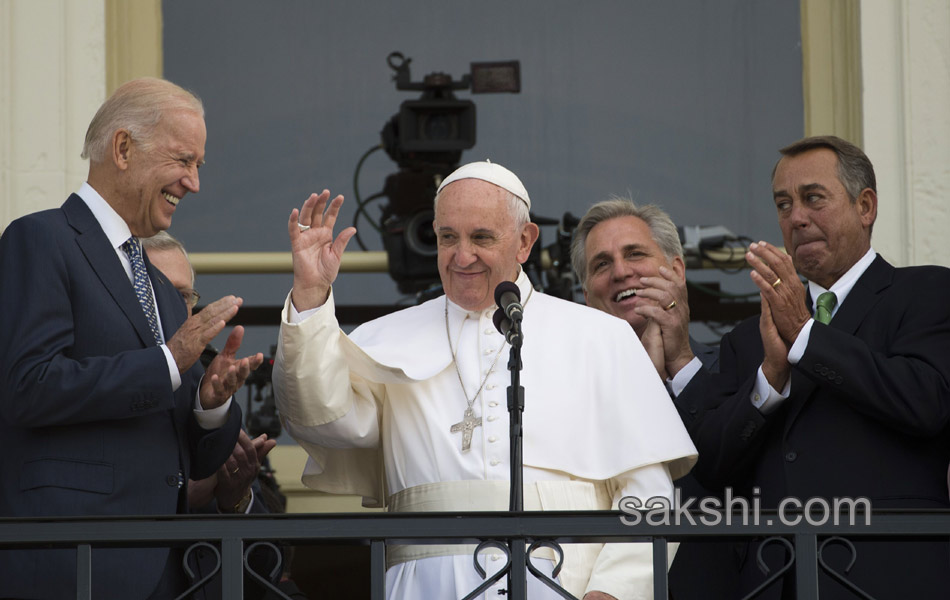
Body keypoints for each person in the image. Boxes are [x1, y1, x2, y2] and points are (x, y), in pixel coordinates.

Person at [273, 161, 698, 600]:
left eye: (481, 237)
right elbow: (322, 421)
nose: (462, 256)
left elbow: (648, 495)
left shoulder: (600, 336)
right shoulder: (387, 338)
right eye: (447, 238)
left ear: (524, 241)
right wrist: (309, 296)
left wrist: (611, 594)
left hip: (569, 587)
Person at [0, 77, 263, 600]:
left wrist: (209, 404)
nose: (193, 183)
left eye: (198, 166)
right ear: (123, 148)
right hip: (72, 561)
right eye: (183, 160)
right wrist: (168, 362)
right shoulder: (42, 239)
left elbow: (196, 455)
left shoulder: (158, 286)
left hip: (162, 567)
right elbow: (27, 385)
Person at [673, 135, 950, 599]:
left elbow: (927, 403)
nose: (796, 217)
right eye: (783, 204)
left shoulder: (924, 293)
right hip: (776, 581)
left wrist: (806, 336)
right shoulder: (749, 338)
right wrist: (770, 381)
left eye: (813, 198)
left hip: (890, 576)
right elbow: (713, 465)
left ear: (866, 206)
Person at [570, 197, 736, 600]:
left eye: (635, 254)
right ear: (588, 296)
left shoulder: (733, 370)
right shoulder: (568, 390)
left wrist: (678, 369)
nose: (621, 272)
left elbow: (731, 477)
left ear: (676, 270)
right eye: (601, 264)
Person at [143, 231, 277, 515]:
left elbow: (269, 556)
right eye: (161, 293)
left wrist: (235, 499)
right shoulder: (100, 369)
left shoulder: (209, 379)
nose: (177, 307)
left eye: (184, 295)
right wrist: (178, 496)